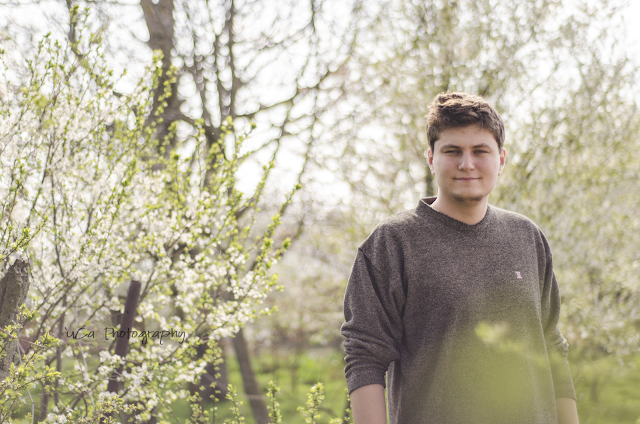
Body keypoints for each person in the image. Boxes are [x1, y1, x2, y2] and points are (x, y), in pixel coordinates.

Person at [341, 92, 579, 424]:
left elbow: (552, 344)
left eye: (480, 151)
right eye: (452, 151)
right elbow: (365, 356)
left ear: (501, 159)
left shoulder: (527, 237)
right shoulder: (392, 243)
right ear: (430, 158)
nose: (466, 164)